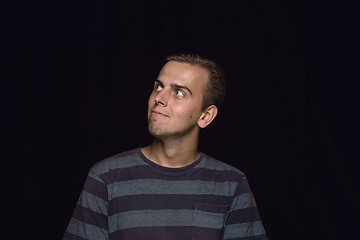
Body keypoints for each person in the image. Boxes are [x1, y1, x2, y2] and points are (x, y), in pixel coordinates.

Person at [63, 54, 268, 240]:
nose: (159, 98)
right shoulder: (106, 178)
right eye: (158, 87)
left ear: (206, 116)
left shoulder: (232, 184)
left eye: (179, 92)